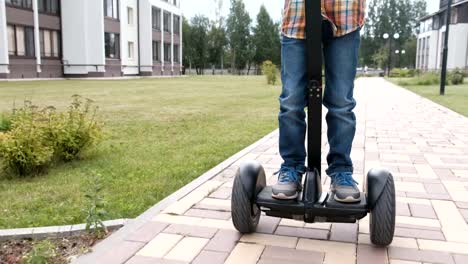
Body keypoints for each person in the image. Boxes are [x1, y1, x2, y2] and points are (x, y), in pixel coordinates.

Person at [272, 0, 365, 202]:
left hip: (345, 13)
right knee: (291, 102)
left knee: (342, 103)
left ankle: (341, 171)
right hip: (297, 16)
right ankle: (291, 168)